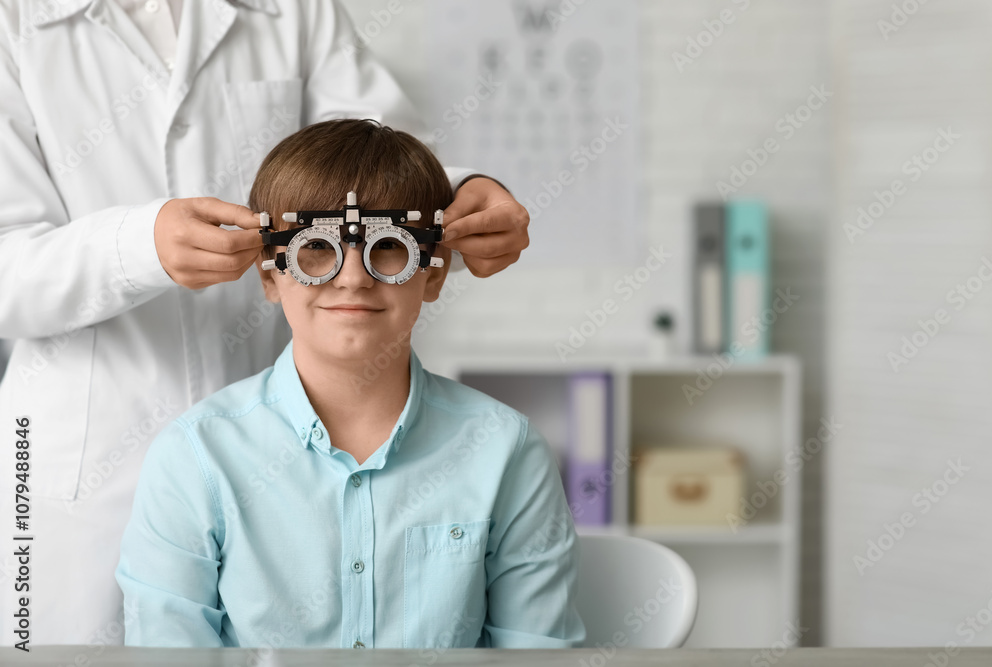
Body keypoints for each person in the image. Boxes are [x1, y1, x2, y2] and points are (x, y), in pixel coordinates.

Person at [0, 0, 529, 646]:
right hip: (82, 463)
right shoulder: (15, 23)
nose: (356, 274)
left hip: (280, 446)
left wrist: (458, 197)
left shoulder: (294, 9)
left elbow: (368, 157)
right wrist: (139, 244)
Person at [115, 119, 583, 648]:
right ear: (270, 274)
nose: (354, 276)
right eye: (316, 248)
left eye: (389, 247)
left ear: (432, 273)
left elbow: (538, 657)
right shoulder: (196, 456)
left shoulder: (505, 451)